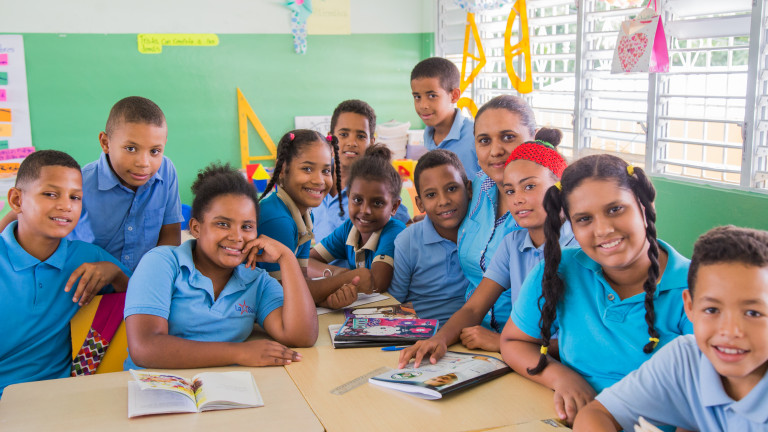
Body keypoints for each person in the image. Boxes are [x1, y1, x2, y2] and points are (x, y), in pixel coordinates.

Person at [500, 154, 693, 425]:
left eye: (615, 209)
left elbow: (708, 403)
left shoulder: (698, 288)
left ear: (643, 205)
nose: (603, 230)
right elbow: (514, 341)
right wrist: (562, 378)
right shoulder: (559, 269)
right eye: (584, 219)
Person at [399, 130, 573, 368]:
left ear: (560, 188)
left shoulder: (578, 251)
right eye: (510, 191)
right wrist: (439, 339)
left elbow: (582, 342)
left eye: (529, 186)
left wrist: (503, 342)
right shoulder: (513, 244)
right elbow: (473, 308)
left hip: (569, 369)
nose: (517, 199)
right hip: (522, 361)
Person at [123, 163, 317, 370]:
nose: (236, 237)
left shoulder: (256, 280)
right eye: (223, 224)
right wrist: (240, 353)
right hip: (152, 384)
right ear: (196, 228)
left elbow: (301, 336)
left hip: (220, 386)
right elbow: (145, 347)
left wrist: (287, 258)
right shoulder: (161, 263)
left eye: (247, 226)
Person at [574, 226, 768, 432]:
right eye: (712, 310)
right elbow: (596, 414)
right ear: (690, 306)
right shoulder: (686, 359)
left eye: (753, 313)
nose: (729, 331)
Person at [0, 150, 130, 398]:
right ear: (17, 200)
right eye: (50, 194)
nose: (66, 205)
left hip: (62, 397)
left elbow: (145, 303)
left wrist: (115, 274)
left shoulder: (89, 257)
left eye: (75, 197)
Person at [0, 96, 184, 271]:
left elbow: (170, 235)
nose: (143, 163)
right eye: (131, 148)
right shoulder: (80, 182)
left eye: (155, 151)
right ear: (105, 143)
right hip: (88, 284)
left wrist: (152, 277)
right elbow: (21, 209)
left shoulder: (166, 171)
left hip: (144, 281)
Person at [456, 95, 533, 336]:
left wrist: (502, 342)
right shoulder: (477, 187)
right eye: (484, 140)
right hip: (471, 334)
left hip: (526, 343)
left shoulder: (550, 206)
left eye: (508, 137)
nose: (496, 151)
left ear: (533, 138)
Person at [310, 145, 407, 308]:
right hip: (365, 310)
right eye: (357, 200)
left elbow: (375, 283)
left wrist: (336, 283)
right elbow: (307, 262)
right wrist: (338, 273)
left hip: (396, 312)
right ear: (348, 197)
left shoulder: (394, 231)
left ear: (394, 207)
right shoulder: (349, 228)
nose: (365, 210)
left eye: (378, 203)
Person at [389, 149, 472, 326]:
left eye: (451, 188)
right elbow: (394, 302)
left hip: (473, 331)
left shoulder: (483, 236)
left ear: (468, 189)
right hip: (420, 332)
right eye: (431, 195)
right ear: (420, 204)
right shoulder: (408, 242)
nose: (443, 201)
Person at [312, 100, 410, 244]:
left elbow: (407, 230)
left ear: (371, 142)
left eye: (361, 136)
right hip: (320, 257)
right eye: (343, 134)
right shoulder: (315, 181)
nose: (352, 143)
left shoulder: (378, 188)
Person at [256, 129, 340, 280]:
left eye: (326, 171)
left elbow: (302, 278)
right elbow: (283, 288)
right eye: (307, 169)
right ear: (282, 169)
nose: (319, 180)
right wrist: (345, 278)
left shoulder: (306, 216)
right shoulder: (277, 220)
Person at [411, 57, 481, 178]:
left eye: (432, 96)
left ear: (454, 96)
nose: (423, 105)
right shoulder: (428, 135)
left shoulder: (477, 136)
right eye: (417, 97)